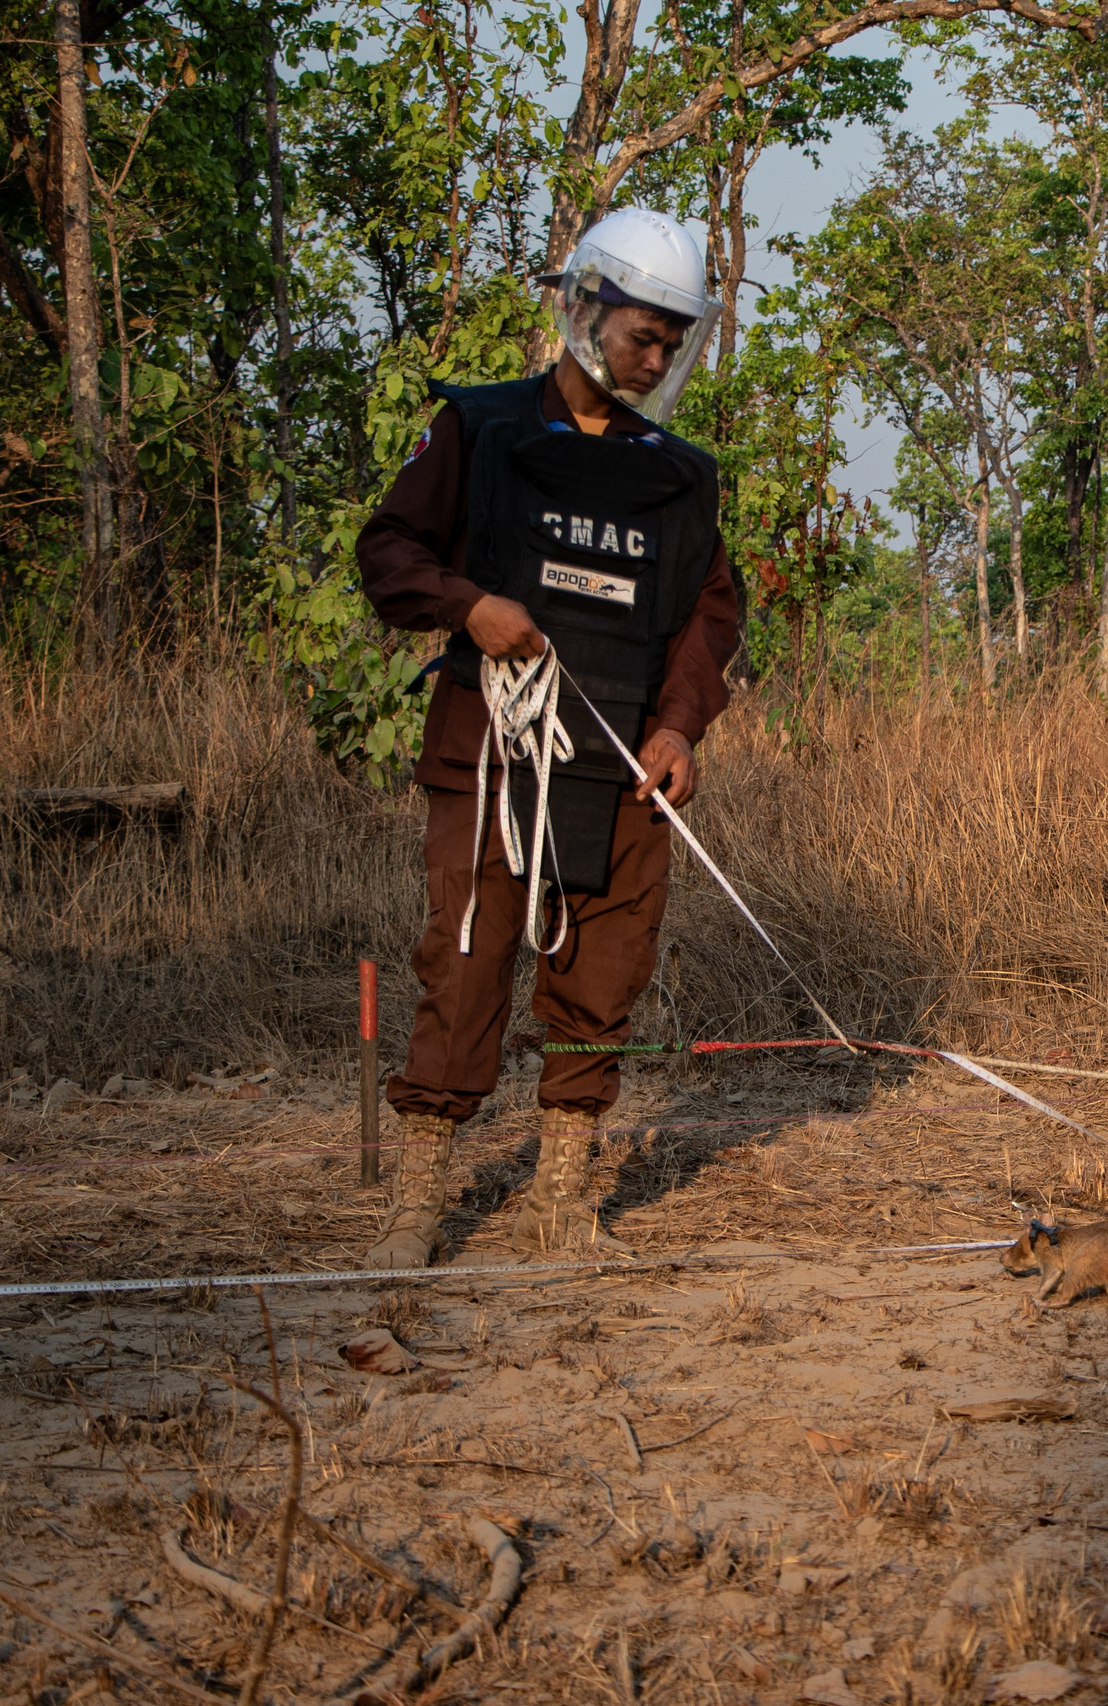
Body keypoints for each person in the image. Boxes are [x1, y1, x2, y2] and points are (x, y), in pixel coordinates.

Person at [353, 208, 742, 1270]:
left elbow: (711, 617)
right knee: (466, 964)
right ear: (582, 311)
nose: (656, 358)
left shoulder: (682, 476)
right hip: (490, 757)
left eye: (673, 340)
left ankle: (561, 1194)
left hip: (621, 768)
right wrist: (467, 604)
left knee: (603, 970)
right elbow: (386, 550)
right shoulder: (479, 432)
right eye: (640, 335)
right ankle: (419, 1196)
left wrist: (674, 729)